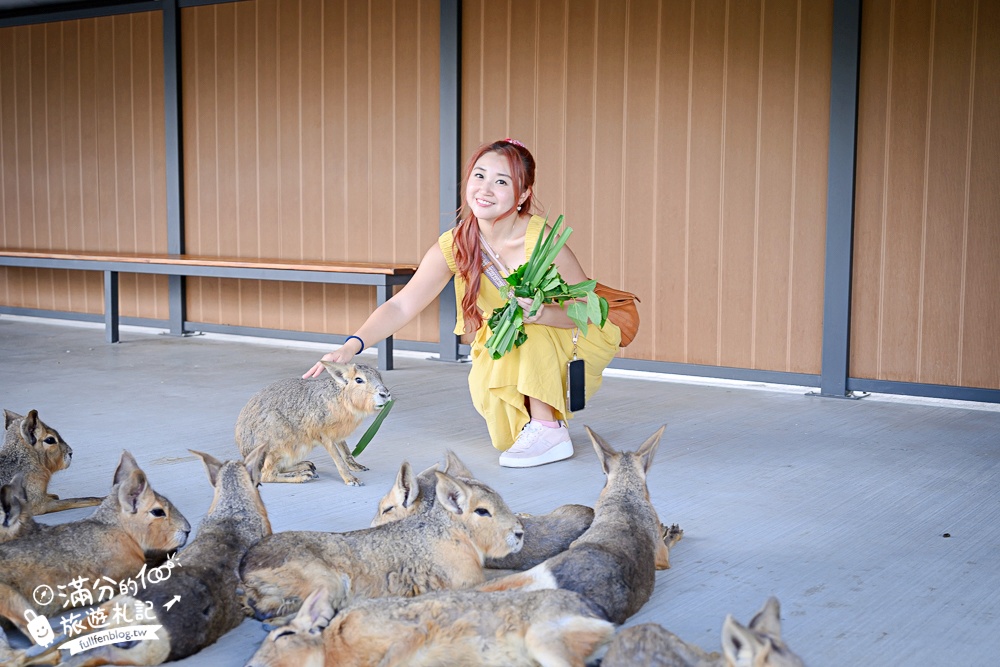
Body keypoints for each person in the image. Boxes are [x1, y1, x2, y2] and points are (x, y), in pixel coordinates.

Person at [303, 139, 620, 467]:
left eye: (501, 181)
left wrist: (542, 312)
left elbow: (585, 309)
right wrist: (351, 346)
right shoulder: (457, 244)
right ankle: (536, 424)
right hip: (501, 342)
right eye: (479, 176)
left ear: (523, 194)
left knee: (528, 324)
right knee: (504, 435)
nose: (485, 188)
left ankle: (548, 428)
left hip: (561, 333)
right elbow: (403, 305)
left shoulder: (541, 239)